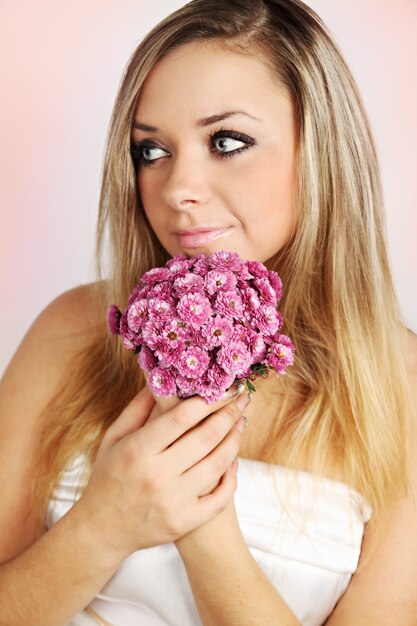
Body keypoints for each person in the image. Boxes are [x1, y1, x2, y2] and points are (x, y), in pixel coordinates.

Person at [1, 0, 416, 624]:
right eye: (151, 151)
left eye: (228, 141)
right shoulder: (73, 329)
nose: (176, 190)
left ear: (321, 149)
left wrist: (200, 521)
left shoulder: (402, 386)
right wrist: (101, 528)